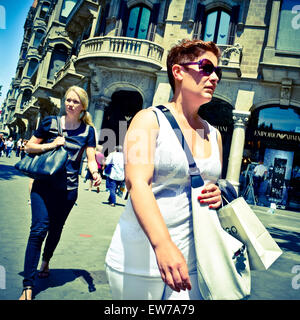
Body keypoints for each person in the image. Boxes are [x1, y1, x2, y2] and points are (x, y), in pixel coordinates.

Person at [105, 39, 223, 300]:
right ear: (178, 72)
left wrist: (217, 193)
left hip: (193, 262)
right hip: (140, 259)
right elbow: (137, 183)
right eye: (206, 67)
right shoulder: (147, 119)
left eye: (218, 72)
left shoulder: (215, 134)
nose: (214, 77)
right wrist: (163, 245)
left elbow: (210, 183)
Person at [19, 85, 101, 300]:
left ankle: (46, 261)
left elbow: (91, 159)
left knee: (55, 229)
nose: (70, 104)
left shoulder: (88, 131)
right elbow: (28, 147)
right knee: (38, 229)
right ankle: (28, 285)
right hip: (43, 185)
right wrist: (51, 144)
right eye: (68, 100)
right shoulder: (50, 123)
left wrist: (95, 173)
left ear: (83, 106)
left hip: (68, 190)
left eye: (75, 101)